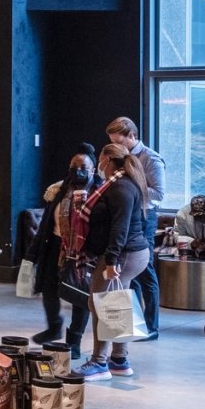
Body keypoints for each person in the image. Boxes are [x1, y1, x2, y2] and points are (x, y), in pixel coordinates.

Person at [82, 144, 150, 376]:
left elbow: (119, 228)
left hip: (123, 254)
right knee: (115, 303)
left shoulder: (120, 187)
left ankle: (99, 362)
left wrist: (111, 262)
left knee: (100, 304)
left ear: (108, 159)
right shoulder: (120, 184)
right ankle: (119, 360)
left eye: (100, 158)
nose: (98, 164)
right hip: (129, 253)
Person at [30, 153, 99, 355]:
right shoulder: (59, 190)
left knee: (79, 294)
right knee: (48, 287)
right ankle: (54, 326)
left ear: (92, 170)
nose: (77, 171)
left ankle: (74, 341)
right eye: (73, 166)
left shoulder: (98, 190)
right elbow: (46, 222)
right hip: (55, 243)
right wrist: (33, 252)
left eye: (82, 167)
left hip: (83, 248)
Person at [106, 117, 167, 337]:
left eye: (121, 143)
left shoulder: (151, 158)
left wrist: (132, 187)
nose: (118, 148)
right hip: (129, 213)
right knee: (129, 275)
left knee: (145, 269)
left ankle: (152, 327)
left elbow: (159, 194)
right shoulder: (120, 158)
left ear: (132, 136)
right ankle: (135, 323)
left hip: (145, 215)